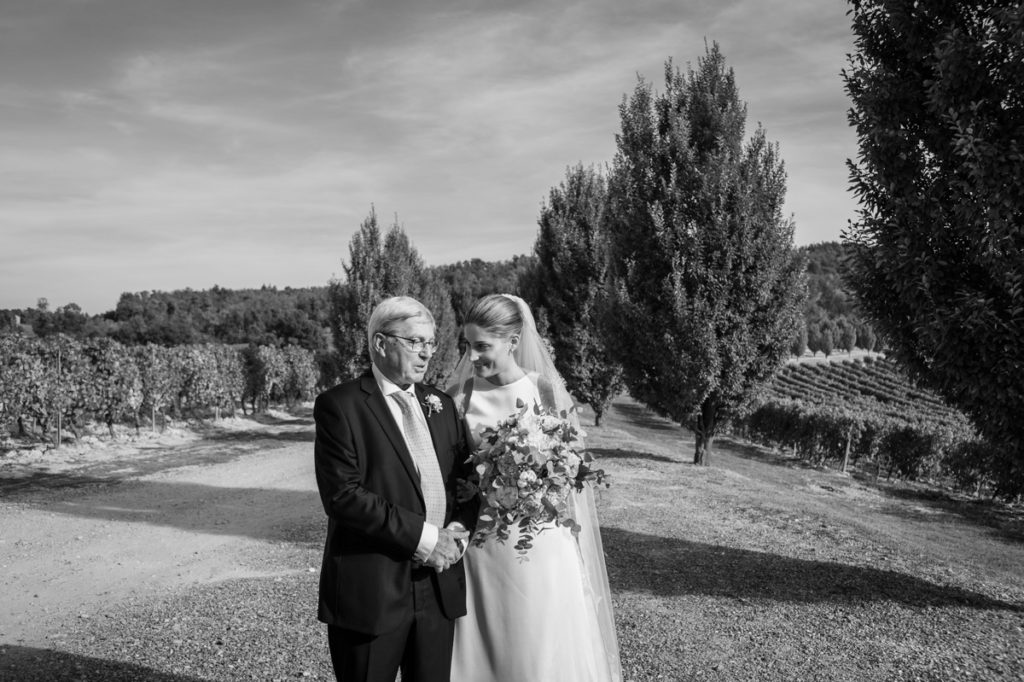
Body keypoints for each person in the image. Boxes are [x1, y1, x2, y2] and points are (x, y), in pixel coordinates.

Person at [447, 293, 622, 682]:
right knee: (488, 641)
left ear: (512, 341)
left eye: (481, 346)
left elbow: (573, 466)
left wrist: (543, 484)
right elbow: (457, 474)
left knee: (541, 639)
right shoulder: (463, 397)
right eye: (467, 346)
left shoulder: (545, 391)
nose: (472, 357)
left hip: (540, 540)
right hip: (485, 545)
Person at [313, 296, 476, 682]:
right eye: (415, 341)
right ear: (380, 343)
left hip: (439, 587)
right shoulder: (341, 406)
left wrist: (455, 537)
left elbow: (466, 483)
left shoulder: (442, 404)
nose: (426, 354)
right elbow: (343, 496)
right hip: (372, 590)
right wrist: (425, 539)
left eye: (431, 343)